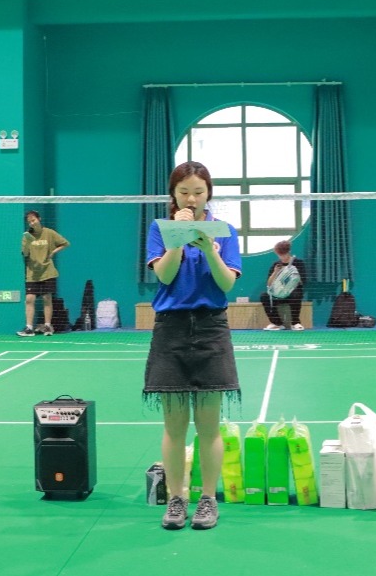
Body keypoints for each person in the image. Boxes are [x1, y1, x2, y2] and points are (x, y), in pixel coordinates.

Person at [145, 161, 241, 531]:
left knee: (208, 426)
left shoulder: (225, 231)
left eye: (198, 192)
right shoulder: (160, 229)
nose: (191, 198)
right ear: (173, 194)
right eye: (184, 191)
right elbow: (165, 275)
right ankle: (176, 498)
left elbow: (226, 284)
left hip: (211, 327)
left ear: (208, 194)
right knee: (174, 426)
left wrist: (210, 250)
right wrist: (178, 239)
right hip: (170, 329)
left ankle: (208, 499)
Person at [17, 210, 70, 337]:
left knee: (47, 298)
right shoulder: (27, 236)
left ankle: (47, 326)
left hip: (48, 271)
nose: (32, 223)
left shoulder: (49, 233)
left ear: (39, 219)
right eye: (29, 222)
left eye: (33, 220)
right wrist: (28, 242)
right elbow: (25, 253)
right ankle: (29, 328)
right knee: (29, 299)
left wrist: (53, 252)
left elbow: (66, 243)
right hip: (32, 273)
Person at [260, 240, 306, 331]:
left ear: (289, 251)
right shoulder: (276, 265)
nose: (282, 257)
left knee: (296, 294)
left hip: (292, 293)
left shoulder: (298, 263)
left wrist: (294, 274)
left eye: (284, 254)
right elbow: (269, 284)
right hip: (278, 294)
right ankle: (277, 323)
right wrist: (275, 272)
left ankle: (295, 323)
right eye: (280, 255)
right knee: (264, 296)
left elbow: (302, 282)